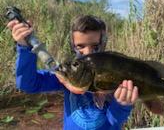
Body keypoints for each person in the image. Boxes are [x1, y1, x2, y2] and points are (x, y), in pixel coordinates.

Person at [7, 15, 139, 130]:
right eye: (80, 46)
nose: (88, 52)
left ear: (103, 44)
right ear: (72, 46)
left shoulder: (115, 72)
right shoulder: (68, 74)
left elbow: (114, 123)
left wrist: (122, 105)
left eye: (95, 46)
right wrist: (24, 47)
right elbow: (28, 84)